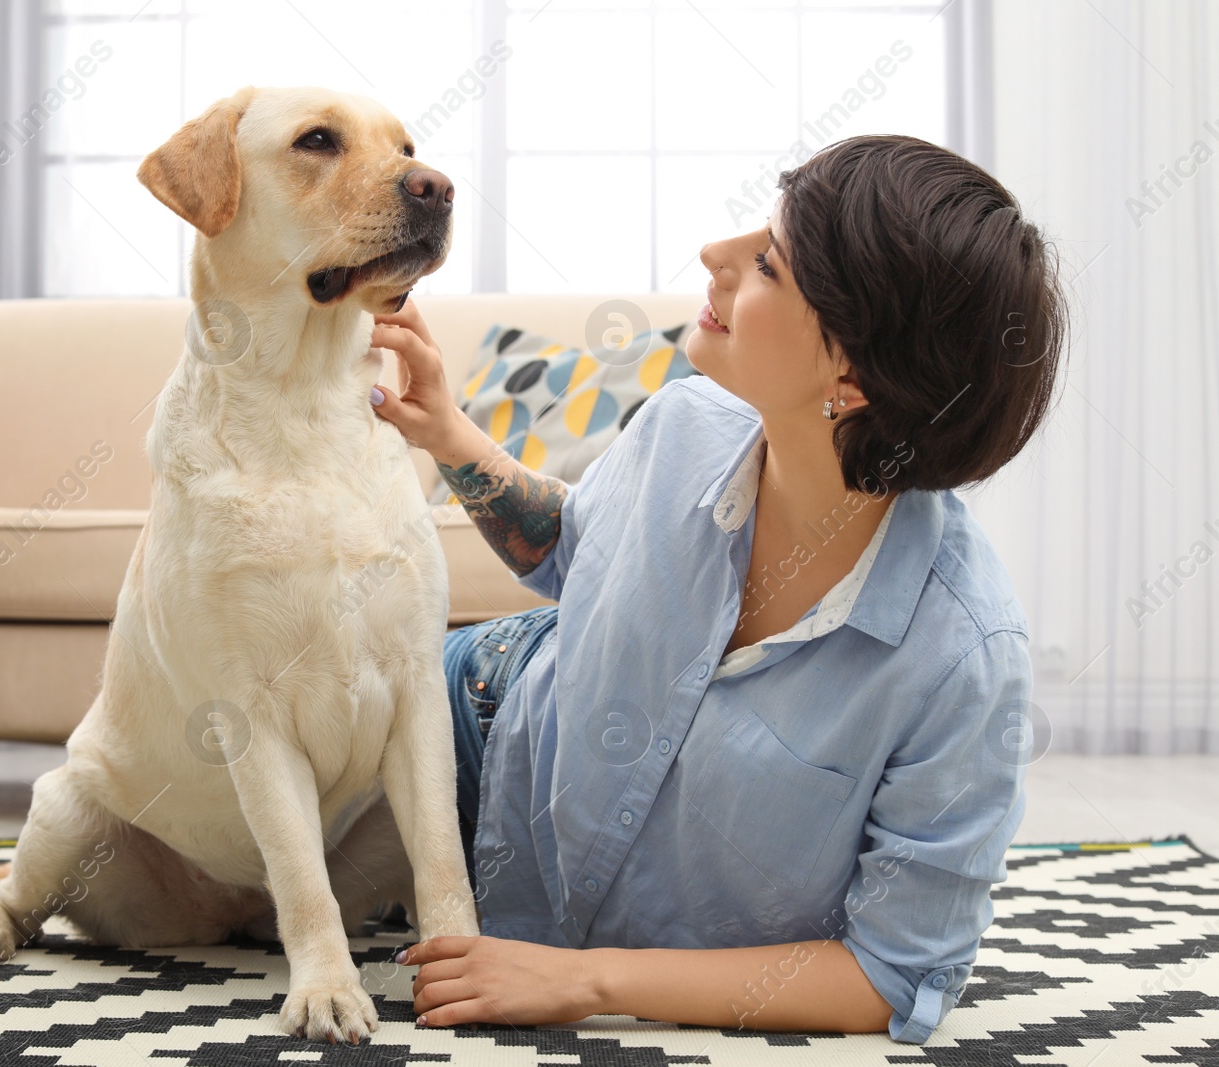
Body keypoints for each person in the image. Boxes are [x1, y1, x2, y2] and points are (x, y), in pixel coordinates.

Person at [365, 134, 1067, 1043]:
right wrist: (450, 435)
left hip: (523, 874)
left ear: (850, 374)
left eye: (769, 262)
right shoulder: (685, 424)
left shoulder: (962, 662)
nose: (716, 257)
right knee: (203, 839)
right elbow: (582, 560)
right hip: (476, 712)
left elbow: (887, 974)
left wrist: (585, 981)